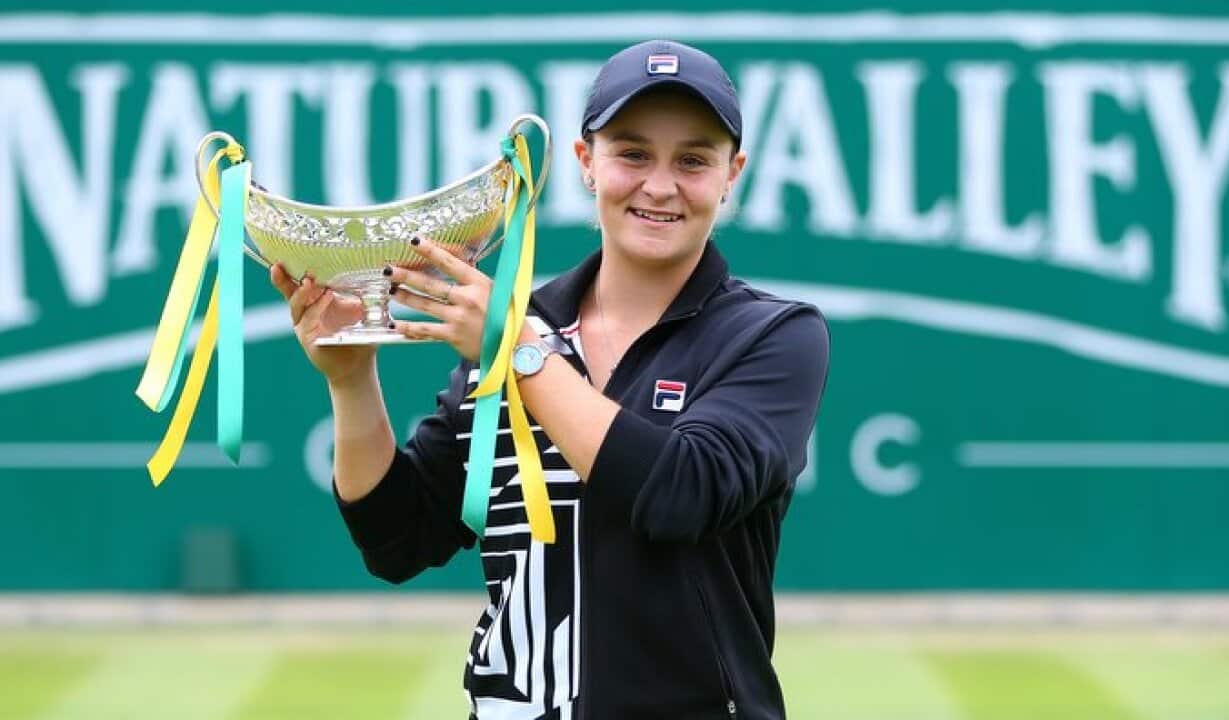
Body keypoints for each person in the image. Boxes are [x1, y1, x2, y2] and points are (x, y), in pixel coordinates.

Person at [270, 39, 829, 720]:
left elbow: (680, 494)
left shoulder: (773, 336)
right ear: (585, 161)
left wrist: (519, 353)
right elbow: (400, 540)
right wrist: (352, 381)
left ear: (731, 174)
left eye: (692, 160)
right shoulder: (522, 324)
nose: (660, 186)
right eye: (632, 154)